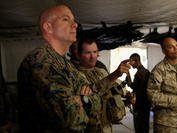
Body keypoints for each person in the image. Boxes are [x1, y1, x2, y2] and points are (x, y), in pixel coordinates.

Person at [17, 4, 130, 133]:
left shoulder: (64, 64)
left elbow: (94, 95)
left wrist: (82, 99)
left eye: (73, 20)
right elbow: (70, 120)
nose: (75, 24)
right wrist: (86, 99)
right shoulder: (41, 60)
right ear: (48, 27)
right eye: (65, 19)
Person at [75, 37, 130, 133]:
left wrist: (129, 95)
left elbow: (114, 86)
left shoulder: (101, 71)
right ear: (79, 55)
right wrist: (114, 74)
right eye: (88, 53)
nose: (93, 57)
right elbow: (92, 91)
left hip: (106, 126)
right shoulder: (74, 75)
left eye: (95, 52)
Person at [127, 53, 151, 133]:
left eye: (131, 62)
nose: (130, 64)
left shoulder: (140, 74)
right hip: (145, 104)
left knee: (139, 127)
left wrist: (127, 74)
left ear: (136, 61)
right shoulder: (146, 72)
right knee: (144, 126)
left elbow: (133, 86)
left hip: (140, 105)